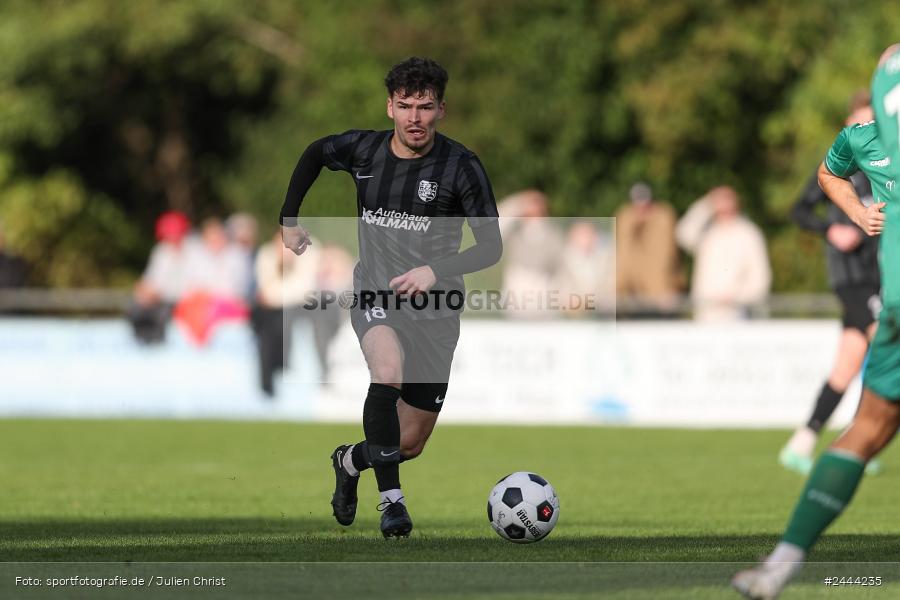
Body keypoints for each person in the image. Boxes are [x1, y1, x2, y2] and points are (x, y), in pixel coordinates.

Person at [279, 57, 502, 537]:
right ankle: (392, 503)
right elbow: (317, 151)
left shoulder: (461, 167)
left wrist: (434, 270)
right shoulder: (364, 151)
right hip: (374, 293)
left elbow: (492, 247)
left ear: (442, 109)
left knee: (408, 441)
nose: (414, 118)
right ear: (390, 107)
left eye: (425, 107)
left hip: (436, 310)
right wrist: (288, 217)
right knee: (387, 372)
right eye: (405, 106)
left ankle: (349, 461)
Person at [732, 45, 899, 599]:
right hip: (863, 288)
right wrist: (852, 214)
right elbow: (822, 186)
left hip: (892, 301)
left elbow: (831, 172)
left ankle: (781, 563)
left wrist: (855, 210)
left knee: (868, 427)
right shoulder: (863, 139)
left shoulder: (869, 140)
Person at [780, 92, 883, 476]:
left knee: (846, 366)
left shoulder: (882, 163)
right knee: (890, 346)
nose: (867, 129)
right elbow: (799, 210)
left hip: (878, 275)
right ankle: (861, 441)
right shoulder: (836, 166)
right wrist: (834, 229)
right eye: (859, 122)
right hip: (852, 279)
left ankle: (802, 442)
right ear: (847, 127)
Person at [676, 186, 772, 322]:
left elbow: (760, 277)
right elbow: (683, 233)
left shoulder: (749, 233)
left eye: (727, 199)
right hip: (706, 312)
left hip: (737, 313)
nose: (722, 206)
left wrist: (737, 297)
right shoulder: (707, 233)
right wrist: (706, 204)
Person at [614, 182, 681, 317]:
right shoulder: (625, 217)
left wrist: (673, 286)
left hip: (661, 294)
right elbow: (623, 257)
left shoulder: (664, 216)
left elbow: (671, 255)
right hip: (631, 292)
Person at [128, 211, 193, 344]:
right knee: (135, 309)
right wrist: (144, 290)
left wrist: (158, 293)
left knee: (160, 314)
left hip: (183, 302)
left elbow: (191, 285)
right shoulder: (161, 251)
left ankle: (157, 346)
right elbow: (151, 279)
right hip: (161, 300)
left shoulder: (194, 252)